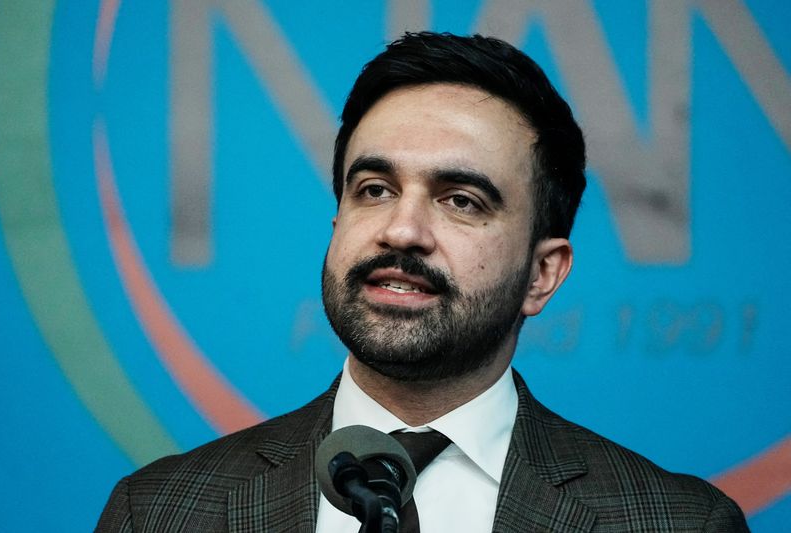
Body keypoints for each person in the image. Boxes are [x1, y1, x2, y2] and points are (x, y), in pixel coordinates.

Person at [96, 32, 749, 532]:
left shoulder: (679, 521)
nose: (401, 230)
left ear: (542, 273)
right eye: (374, 189)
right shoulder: (159, 511)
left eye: (462, 199)